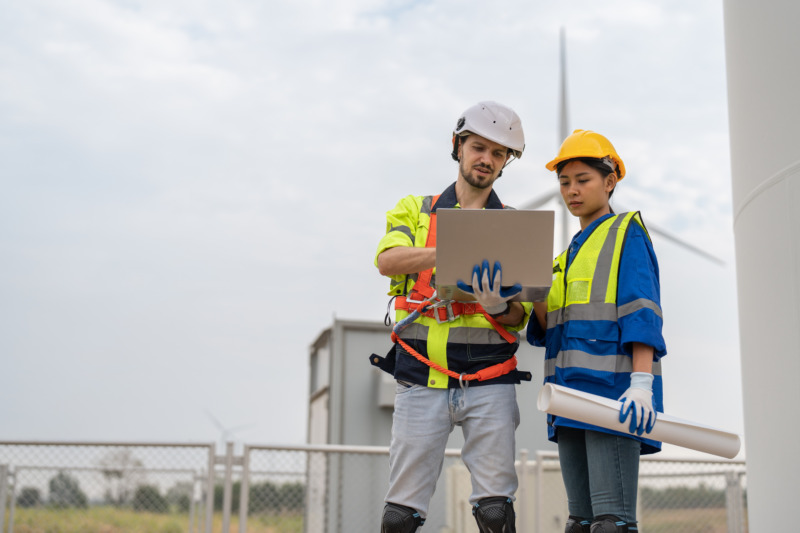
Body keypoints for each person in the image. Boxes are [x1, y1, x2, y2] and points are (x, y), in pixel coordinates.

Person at [371, 101, 534, 533]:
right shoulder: (416, 209)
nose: (487, 160)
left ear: (505, 163)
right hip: (421, 378)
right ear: (458, 146)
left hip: (490, 382)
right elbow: (388, 260)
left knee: (496, 513)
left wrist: (501, 306)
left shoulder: (516, 226)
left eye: (498, 154)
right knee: (399, 517)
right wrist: (452, 251)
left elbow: (522, 315)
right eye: (479, 147)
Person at [527, 129, 667, 533]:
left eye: (582, 180)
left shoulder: (626, 233)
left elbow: (642, 310)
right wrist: (529, 288)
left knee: (611, 525)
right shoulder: (565, 257)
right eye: (564, 181)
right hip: (567, 398)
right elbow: (546, 328)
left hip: (614, 397)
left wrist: (642, 384)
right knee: (581, 524)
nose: (571, 190)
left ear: (610, 181)